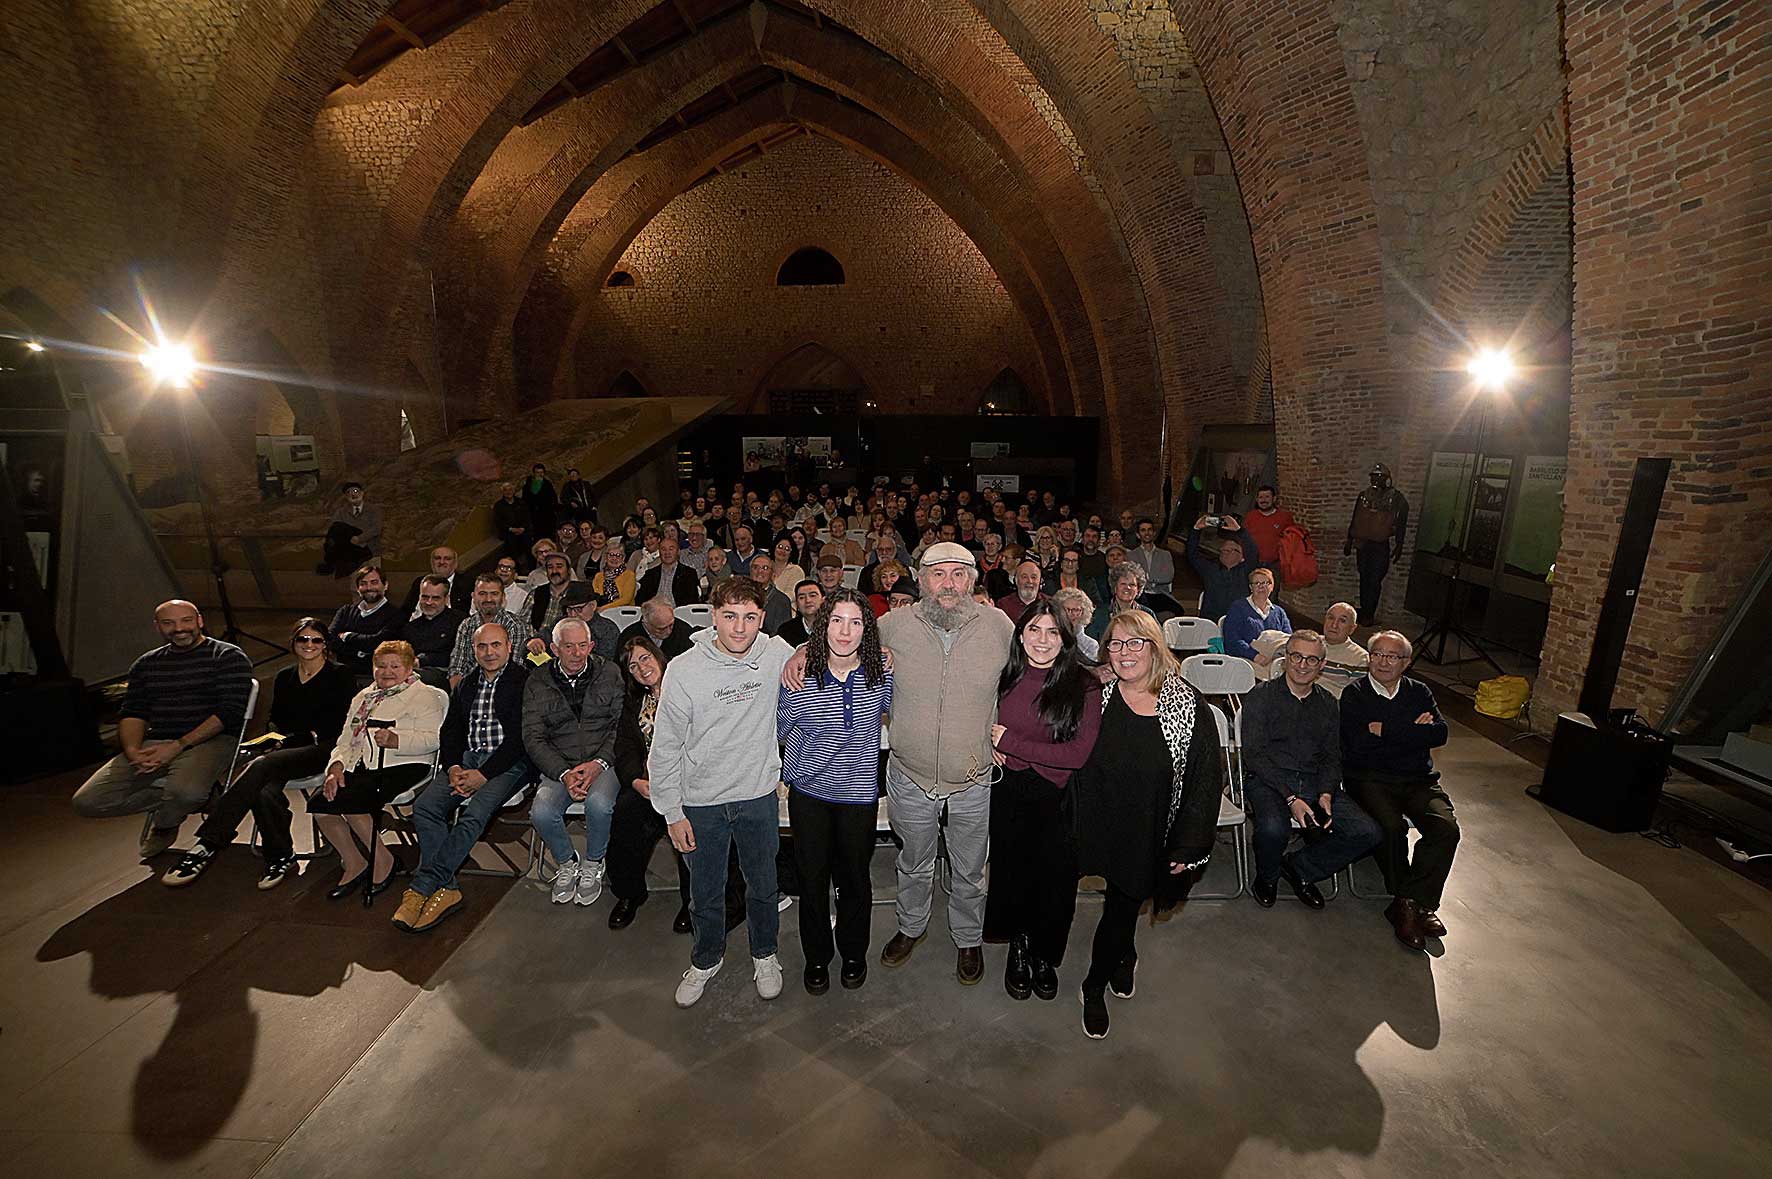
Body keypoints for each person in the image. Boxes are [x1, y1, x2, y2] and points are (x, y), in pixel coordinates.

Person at [788, 542, 1013, 985]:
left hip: (973, 776)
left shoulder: (999, 626)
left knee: (970, 866)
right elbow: (839, 638)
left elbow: (1041, 669)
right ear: (921, 578)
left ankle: (967, 937)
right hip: (909, 776)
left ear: (972, 580)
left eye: (958, 573)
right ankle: (911, 927)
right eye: (937, 574)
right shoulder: (892, 624)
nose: (948, 583)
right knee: (914, 860)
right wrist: (799, 654)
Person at [1070, 610, 1222, 1039]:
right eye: (1115, 644)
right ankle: (1125, 952)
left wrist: (1189, 846)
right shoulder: (1096, 696)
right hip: (1097, 822)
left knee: (1122, 906)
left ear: (1156, 648)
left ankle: (1094, 984)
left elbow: (1205, 780)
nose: (1124, 652)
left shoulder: (1187, 704)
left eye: (1135, 642)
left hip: (1149, 828)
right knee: (1119, 902)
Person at [652, 579, 799, 1008]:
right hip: (701, 801)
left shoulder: (776, 655)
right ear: (713, 615)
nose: (739, 628)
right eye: (730, 616)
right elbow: (665, 747)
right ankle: (705, 958)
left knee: (763, 884)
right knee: (706, 890)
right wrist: (671, 812)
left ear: (762, 619)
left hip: (757, 796)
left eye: (750, 617)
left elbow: (820, 659)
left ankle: (765, 954)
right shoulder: (684, 669)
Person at [161, 617, 355, 888]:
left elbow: (340, 724)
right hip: (288, 749)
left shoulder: (340, 674)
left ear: (325, 645)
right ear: (294, 643)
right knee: (263, 789)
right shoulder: (285, 676)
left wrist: (297, 738)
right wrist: (274, 738)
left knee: (261, 765)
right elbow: (278, 720)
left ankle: (208, 842)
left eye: (316, 640)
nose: (309, 645)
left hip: (326, 748)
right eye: (303, 639)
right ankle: (280, 856)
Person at [985, 599, 1102, 1003]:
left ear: (1066, 638)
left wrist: (1011, 744)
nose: (1042, 640)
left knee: (1055, 882)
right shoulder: (1003, 676)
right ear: (1020, 634)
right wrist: (988, 745)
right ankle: (1018, 945)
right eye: (1034, 629)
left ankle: (1044, 955)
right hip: (1010, 791)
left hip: (1059, 795)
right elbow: (978, 723)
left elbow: (1076, 755)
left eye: (1053, 632)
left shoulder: (1084, 685)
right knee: (1013, 874)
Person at [72, 600, 254, 858]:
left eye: (186, 621)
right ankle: (199, 798)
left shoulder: (227, 656)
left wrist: (178, 746)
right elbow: (134, 712)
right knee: (88, 801)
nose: (179, 628)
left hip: (211, 740)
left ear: (199, 621)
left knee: (186, 792)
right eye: (169, 623)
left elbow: (229, 712)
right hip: (155, 741)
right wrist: (133, 750)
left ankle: (166, 823)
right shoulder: (146, 664)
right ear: (157, 627)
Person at [779, 588, 894, 994]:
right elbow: (782, 731)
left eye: (856, 622)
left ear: (868, 629)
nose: (845, 631)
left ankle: (853, 953)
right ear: (823, 623)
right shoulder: (797, 673)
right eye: (837, 620)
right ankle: (816, 958)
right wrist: (798, 654)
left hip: (858, 797)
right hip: (809, 795)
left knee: (855, 881)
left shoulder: (882, 669)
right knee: (811, 882)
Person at [394, 622, 532, 932]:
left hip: (509, 764)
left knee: (472, 814)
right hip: (468, 759)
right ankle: (448, 888)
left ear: (509, 647)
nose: (489, 652)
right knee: (425, 807)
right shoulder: (467, 684)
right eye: (482, 647)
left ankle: (422, 887)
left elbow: (522, 740)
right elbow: (451, 731)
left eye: (496, 645)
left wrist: (484, 775)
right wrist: (454, 767)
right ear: (474, 651)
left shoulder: (525, 682)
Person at [1239, 630, 1382, 909]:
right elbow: (1254, 754)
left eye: (1312, 660)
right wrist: (1291, 798)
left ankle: (1300, 868)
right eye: (1297, 657)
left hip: (1315, 781)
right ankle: (1267, 877)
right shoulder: (1261, 696)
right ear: (1286, 659)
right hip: (1270, 779)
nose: (1303, 665)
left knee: (1367, 832)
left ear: (1322, 665)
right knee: (1273, 828)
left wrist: (1327, 793)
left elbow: (1331, 755)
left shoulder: (1328, 704)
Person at [1339, 631, 1457, 951]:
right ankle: (1411, 903)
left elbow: (1440, 734)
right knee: (1391, 828)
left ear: (1405, 663)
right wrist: (1413, 732)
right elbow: (1358, 746)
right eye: (1377, 654)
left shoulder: (1419, 691)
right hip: (1369, 778)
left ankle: (1411, 902)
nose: (1383, 662)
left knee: (1445, 828)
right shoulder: (1355, 694)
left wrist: (1384, 730)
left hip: (1419, 779)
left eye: (1392, 656)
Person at [310, 640, 449, 903]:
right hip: (362, 764)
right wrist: (336, 766)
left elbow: (435, 739)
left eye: (395, 666)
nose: (387, 671)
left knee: (352, 801)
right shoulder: (364, 697)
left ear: (409, 668)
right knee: (320, 803)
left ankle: (383, 862)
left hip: (406, 764)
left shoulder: (425, 695)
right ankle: (354, 862)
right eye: (381, 666)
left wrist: (398, 739)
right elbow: (345, 738)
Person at [521, 616, 625, 906]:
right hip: (559, 765)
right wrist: (564, 773)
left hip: (604, 761)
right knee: (541, 813)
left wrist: (598, 763)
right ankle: (567, 862)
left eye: (583, 646)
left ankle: (593, 863)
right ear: (555, 649)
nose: (578, 653)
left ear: (592, 645)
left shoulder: (610, 672)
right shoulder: (537, 681)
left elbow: (620, 727)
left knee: (599, 804)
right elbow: (533, 737)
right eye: (569, 647)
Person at [604, 633, 695, 933]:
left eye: (645, 658)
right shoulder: (634, 704)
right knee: (625, 817)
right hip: (650, 784)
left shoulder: (686, 689)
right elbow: (625, 747)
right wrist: (635, 780)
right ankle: (629, 894)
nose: (641, 668)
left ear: (658, 656)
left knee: (689, 825)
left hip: (688, 784)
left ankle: (691, 901)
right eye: (632, 666)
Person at [1345, 462, 1410, 624]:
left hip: (1380, 544)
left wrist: (1399, 543)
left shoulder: (1395, 498)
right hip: (1363, 542)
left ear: (1386, 478)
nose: (1375, 479)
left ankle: (1369, 613)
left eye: (1379, 476)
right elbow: (1356, 517)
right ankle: (1365, 609)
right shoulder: (1364, 495)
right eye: (1374, 476)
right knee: (1364, 577)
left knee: (1374, 579)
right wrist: (1350, 539)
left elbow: (1401, 521)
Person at [450, 572, 534, 688]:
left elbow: (514, 671)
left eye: (494, 594)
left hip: (505, 689)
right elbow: (456, 669)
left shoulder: (516, 626)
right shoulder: (466, 625)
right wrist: (459, 698)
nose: (488, 599)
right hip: (469, 689)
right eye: (482, 594)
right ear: (473, 597)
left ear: (503, 597)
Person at [330, 564, 402, 676]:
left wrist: (347, 636)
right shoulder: (345, 611)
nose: (369, 588)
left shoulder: (397, 615)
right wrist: (359, 652)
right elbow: (330, 639)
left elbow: (379, 643)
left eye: (374, 582)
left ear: (386, 585)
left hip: (377, 677)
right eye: (363, 584)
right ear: (358, 589)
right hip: (342, 675)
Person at [1187, 516, 1253, 622]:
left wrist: (1239, 530)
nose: (1226, 552)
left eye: (1232, 550)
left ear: (1242, 557)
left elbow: (1253, 551)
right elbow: (1192, 554)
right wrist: (1196, 529)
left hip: (1239, 620)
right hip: (1211, 621)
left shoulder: (1246, 571)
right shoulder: (1210, 569)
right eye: (1224, 550)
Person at [1223, 567, 1292, 667]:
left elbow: (1288, 639)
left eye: (1265, 583)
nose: (1261, 587)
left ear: (1272, 587)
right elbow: (1232, 640)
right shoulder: (1238, 608)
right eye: (1256, 583)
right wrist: (1255, 656)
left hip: (1275, 662)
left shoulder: (1279, 612)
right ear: (1251, 588)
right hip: (1245, 661)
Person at [400, 574, 466, 679]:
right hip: (413, 675)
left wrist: (421, 661)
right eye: (425, 597)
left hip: (446, 675)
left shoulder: (461, 622)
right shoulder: (410, 627)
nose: (429, 602)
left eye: (435, 598)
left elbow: (457, 657)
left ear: (446, 599)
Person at [321, 481, 381, 575]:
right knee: (356, 583)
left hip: (372, 552)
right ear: (346, 497)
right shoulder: (341, 512)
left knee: (374, 581)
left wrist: (359, 538)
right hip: (352, 555)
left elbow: (376, 528)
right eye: (349, 492)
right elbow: (334, 530)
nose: (353, 494)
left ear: (362, 493)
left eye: (355, 491)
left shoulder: (373, 510)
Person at [1085, 563, 1154, 643]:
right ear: (1115, 587)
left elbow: (1156, 643)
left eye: (1132, 585)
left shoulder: (1147, 614)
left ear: (1138, 590)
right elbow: (1089, 646)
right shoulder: (1098, 614)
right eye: (1123, 584)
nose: (1127, 588)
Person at [1240, 486, 1297, 579]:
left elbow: (1291, 541)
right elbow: (1242, 538)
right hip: (1252, 563)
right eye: (1261, 497)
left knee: (1272, 592)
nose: (1264, 500)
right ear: (1257, 499)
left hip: (1274, 565)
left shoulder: (1284, 518)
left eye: (1267, 497)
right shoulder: (1250, 517)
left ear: (1274, 499)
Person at [556, 581, 623, 660]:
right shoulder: (560, 623)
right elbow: (544, 636)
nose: (573, 615)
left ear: (593, 606)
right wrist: (538, 640)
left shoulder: (608, 629)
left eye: (578, 609)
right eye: (570, 609)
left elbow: (604, 662)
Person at [400, 546, 472, 616]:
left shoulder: (468, 584)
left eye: (447, 559)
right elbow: (406, 611)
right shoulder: (420, 582)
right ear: (431, 562)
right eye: (437, 558)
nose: (441, 562)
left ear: (455, 563)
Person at [622, 596, 694, 658]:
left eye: (671, 625)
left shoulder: (684, 631)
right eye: (661, 629)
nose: (669, 631)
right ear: (646, 623)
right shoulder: (629, 637)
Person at [526, 550, 576, 637]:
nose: (554, 571)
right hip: (537, 644)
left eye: (559, 567)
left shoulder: (578, 595)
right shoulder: (536, 593)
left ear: (568, 570)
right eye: (550, 567)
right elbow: (524, 622)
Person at [1126, 517, 1176, 598]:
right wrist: (1155, 580)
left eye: (1149, 530)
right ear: (1138, 535)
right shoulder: (1131, 555)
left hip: (1162, 595)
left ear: (1154, 533)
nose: (1147, 533)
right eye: (1143, 530)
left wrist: (1148, 579)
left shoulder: (1165, 555)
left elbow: (1168, 576)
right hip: (1141, 596)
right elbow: (1133, 578)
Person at [746, 553, 795, 635]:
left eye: (765, 568)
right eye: (755, 567)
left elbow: (782, 634)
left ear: (772, 574)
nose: (760, 571)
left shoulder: (782, 600)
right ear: (750, 571)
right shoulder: (739, 596)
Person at [1050, 587, 1099, 662]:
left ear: (1083, 613)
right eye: (1067, 609)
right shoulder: (1049, 639)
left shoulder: (1090, 645)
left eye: (1076, 610)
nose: (1071, 614)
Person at [493, 482, 532, 569]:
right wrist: (511, 529)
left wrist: (522, 528)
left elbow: (527, 517)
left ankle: (529, 566)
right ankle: (515, 567)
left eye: (510, 489)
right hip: (508, 532)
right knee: (511, 546)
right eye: (506, 490)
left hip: (522, 530)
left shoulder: (521, 502)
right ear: (503, 492)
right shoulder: (499, 505)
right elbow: (499, 522)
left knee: (528, 542)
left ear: (514, 491)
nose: (508, 492)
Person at [997, 557, 1044, 626]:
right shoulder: (1003, 605)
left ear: (1040, 581)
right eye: (1024, 577)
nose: (1029, 581)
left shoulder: (1050, 604)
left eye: (1034, 577)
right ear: (1016, 580)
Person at [777, 579, 825, 647]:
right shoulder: (785, 630)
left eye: (812, 596)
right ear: (797, 604)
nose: (808, 600)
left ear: (823, 600)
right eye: (801, 597)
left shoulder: (833, 627)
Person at [591, 545, 636, 611]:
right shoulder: (598, 576)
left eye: (618, 555)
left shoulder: (629, 575)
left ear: (623, 558)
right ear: (606, 557)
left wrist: (604, 608)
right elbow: (596, 597)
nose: (614, 558)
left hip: (623, 612)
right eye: (611, 555)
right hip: (601, 611)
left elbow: (626, 599)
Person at [523, 462, 558, 537]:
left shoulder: (547, 484)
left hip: (547, 514)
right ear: (534, 473)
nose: (540, 474)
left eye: (541, 472)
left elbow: (553, 497)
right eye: (537, 472)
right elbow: (525, 499)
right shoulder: (528, 485)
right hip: (534, 515)